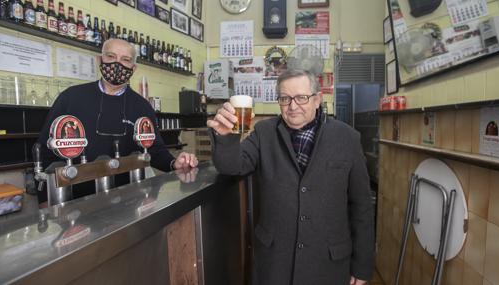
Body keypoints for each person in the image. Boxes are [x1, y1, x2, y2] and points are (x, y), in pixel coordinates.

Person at [207, 70, 374, 285]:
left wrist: (362, 266)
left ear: (317, 99)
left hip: (329, 263)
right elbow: (232, 166)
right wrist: (225, 137)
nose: (292, 106)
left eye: (301, 98)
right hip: (275, 261)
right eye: (285, 99)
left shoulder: (347, 138)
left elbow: (362, 206)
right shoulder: (264, 132)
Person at [36, 38, 198, 207]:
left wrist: (174, 163)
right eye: (111, 56)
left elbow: (154, 150)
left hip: (130, 200)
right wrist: (44, 199)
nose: (117, 64)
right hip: (74, 202)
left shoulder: (142, 107)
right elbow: (45, 150)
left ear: (133, 68)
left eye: (125, 60)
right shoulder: (71, 98)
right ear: (100, 60)